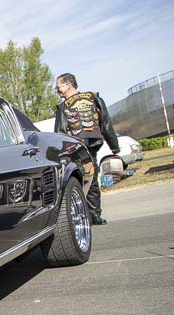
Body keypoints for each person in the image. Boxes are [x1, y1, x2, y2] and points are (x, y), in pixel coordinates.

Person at [53, 73, 119, 225]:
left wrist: (60, 153)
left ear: (69, 85)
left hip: (76, 148)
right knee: (91, 180)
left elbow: (59, 132)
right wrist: (114, 146)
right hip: (88, 146)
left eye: (58, 87)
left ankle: (88, 216)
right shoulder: (93, 98)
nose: (57, 90)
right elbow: (106, 124)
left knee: (78, 181)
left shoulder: (65, 106)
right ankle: (93, 215)